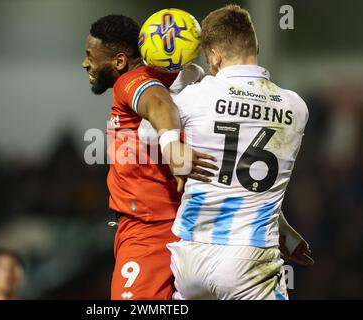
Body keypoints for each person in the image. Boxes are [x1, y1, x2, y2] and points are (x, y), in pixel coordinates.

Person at [167, 4, 313, 300]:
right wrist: (281, 230)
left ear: (214, 56)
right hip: (248, 257)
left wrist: (178, 84)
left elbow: (145, 134)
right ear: (255, 46)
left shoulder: (194, 96)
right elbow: (253, 180)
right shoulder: (296, 107)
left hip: (190, 257)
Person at [82, 14, 217, 300]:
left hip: (149, 231)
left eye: (90, 56)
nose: (85, 64)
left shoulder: (132, 82)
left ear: (119, 61)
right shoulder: (193, 83)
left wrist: (171, 146)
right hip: (190, 226)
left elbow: (157, 102)